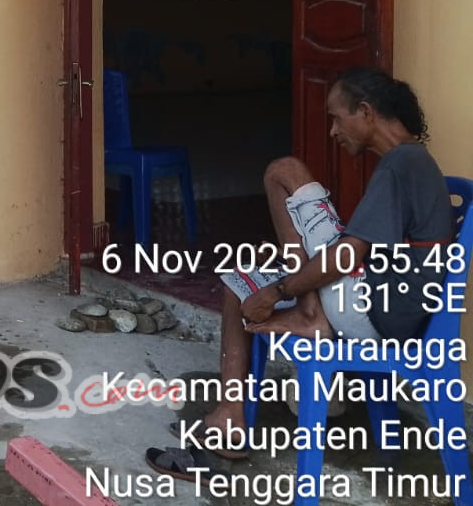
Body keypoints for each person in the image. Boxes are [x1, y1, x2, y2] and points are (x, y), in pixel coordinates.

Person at [184, 67, 453, 458]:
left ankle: (310, 315)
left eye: (335, 117)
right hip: (379, 304)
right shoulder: (409, 162)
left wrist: (283, 289)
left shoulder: (402, 163)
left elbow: (348, 255)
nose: (332, 131)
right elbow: (369, 252)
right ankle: (230, 413)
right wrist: (288, 269)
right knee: (239, 284)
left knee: (284, 171)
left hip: (374, 311)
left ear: (364, 112)